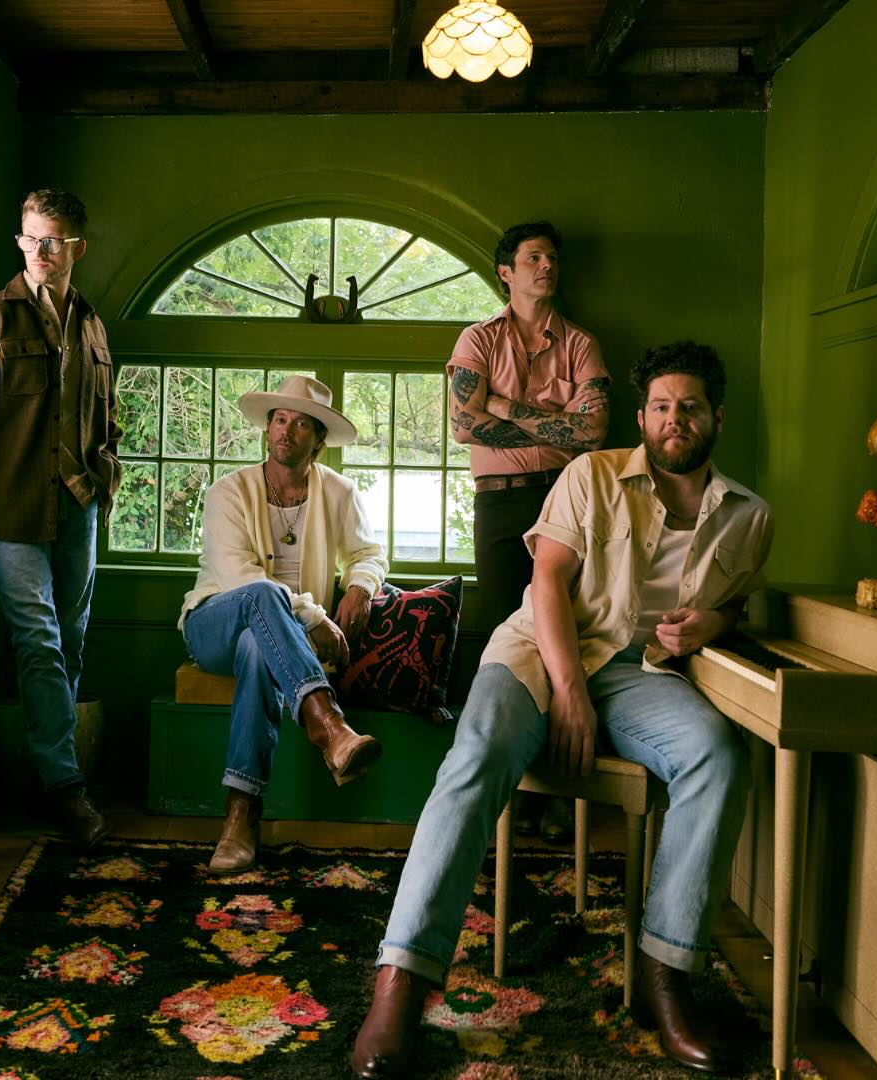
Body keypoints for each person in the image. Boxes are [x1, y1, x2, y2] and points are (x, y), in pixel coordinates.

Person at [351, 342, 773, 1077]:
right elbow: (546, 581)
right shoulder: (591, 475)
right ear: (642, 417)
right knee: (478, 753)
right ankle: (403, 978)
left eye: (690, 407)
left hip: (638, 673)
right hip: (538, 653)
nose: (675, 419)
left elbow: (732, 604)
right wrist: (569, 692)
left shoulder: (749, 517)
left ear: (717, 418)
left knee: (717, 754)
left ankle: (665, 976)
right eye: (662, 406)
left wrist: (714, 622)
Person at [0, 189, 118, 850]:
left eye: (54, 239)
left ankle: (50, 773)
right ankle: (65, 787)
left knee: (71, 640)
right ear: (20, 241)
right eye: (31, 237)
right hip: (10, 508)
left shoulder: (92, 325)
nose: (41, 250)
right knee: (38, 639)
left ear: (76, 248)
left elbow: (107, 422)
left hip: (78, 505)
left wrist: (104, 480)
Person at [179, 375, 389, 874]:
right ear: (267, 428)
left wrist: (360, 586)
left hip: (274, 642)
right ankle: (329, 726)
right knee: (262, 595)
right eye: (278, 419)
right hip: (213, 624)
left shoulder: (338, 492)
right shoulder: (228, 492)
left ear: (319, 440)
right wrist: (315, 617)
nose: (285, 430)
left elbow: (368, 553)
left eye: (300, 424)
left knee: (260, 648)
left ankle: (240, 816)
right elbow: (240, 578)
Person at [448, 221, 612, 843]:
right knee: (505, 642)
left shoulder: (581, 344)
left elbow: (592, 432)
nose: (547, 266)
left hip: (567, 499)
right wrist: (551, 420)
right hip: (500, 503)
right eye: (534, 257)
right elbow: (463, 425)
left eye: (553, 258)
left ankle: (559, 792)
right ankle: (511, 790)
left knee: (566, 637)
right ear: (506, 272)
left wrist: (503, 407)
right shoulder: (478, 339)